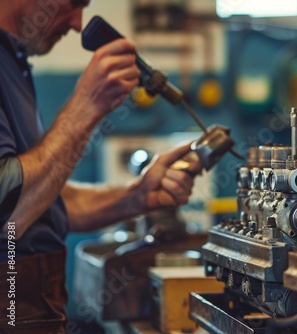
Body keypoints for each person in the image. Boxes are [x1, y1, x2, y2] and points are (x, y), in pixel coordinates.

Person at [0, 0, 201, 332]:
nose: (79, 23)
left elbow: (43, 202)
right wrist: (87, 105)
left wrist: (137, 196)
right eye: (73, 3)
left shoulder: (13, 61)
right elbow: (9, 212)